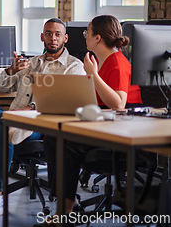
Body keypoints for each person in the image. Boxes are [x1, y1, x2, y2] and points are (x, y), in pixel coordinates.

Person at [0, 18, 85, 219]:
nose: (53, 38)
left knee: (3, 129)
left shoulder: (73, 67)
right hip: (14, 119)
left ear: (65, 38)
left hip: (41, 125)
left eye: (57, 34)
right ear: (42, 36)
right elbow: (2, 87)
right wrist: (11, 70)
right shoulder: (32, 64)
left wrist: (30, 108)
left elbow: (65, 102)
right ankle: (5, 118)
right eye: (48, 33)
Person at [38, 15, 142, 227]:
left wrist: (93, 75)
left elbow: (119, 104)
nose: (84, 37)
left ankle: (66, 209)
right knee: (52, 137)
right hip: (103, 126)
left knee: (64, 142)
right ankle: (68, 203)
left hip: (120, 134)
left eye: (87, 33)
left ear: (98, 38)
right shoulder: (101, 61)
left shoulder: (117, 62)